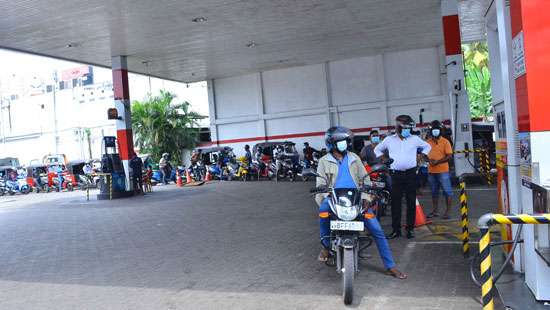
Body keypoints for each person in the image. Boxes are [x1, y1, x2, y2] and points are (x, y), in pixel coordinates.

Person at [315, 126, 406, 279]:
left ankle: (391, 266)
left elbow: (366, 179)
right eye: (343, 141)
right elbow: (320, 183)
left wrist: (366, 198)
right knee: (323, 212)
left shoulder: (354, 158)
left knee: (377, 230)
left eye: (347, 141)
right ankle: (325, 247)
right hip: (334, 199)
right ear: (333, 143)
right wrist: (326, 194)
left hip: (356, 199)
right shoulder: (324, 161)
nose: (346, 144)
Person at [375, 115, 431, 239]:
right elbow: (377, 150)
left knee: (411, 202)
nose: (407, 131)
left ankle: (410, 229)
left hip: (411, 174)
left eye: (409, 128)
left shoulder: (415, 139)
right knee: (396, 203)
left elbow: (428, 146)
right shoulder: (389, 140)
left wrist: (422, 154)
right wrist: (384, 158)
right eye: (405, 128)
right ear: (398, 128)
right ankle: (396, 230)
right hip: (396, 175)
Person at [426, 120, 454, 220]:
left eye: (437, 130)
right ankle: (435, 211)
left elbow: (449, 156)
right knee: (434, 192)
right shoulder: (427, 142)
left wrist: (437, 162)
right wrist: (429, 160)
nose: (435, 131)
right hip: (431, 172)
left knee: (447, 192)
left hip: (443, 171)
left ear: (440, 131)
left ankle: (447, 212)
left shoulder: (445, 142)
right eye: (433, 130)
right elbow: (424, 155)